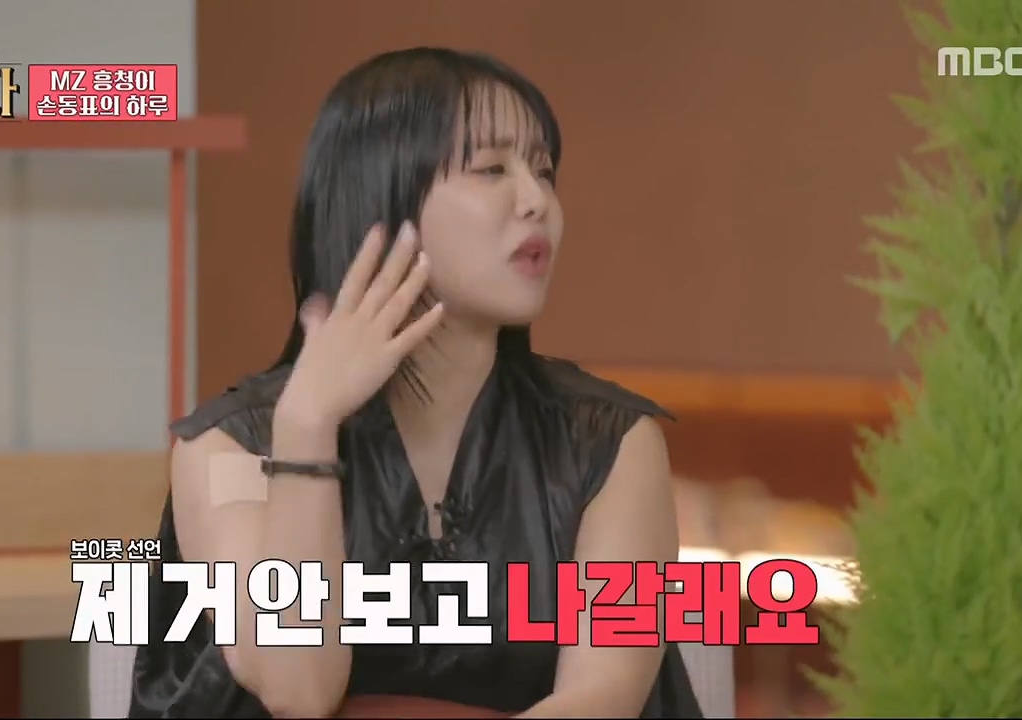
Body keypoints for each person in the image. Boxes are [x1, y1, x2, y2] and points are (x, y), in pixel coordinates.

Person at [129, 47, 704, 719]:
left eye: (544, 171)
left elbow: (601, 699)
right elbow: (298, 689)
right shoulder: (225, 448)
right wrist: (306, 427)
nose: (537, 202)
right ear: (380, 199)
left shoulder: (610, 443)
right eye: (492, 169)